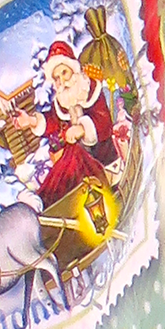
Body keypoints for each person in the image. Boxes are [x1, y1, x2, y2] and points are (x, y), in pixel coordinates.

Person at [28, 38, 120, 205]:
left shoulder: (90, 89)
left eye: (64, 73)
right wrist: (32, 121)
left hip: (102, 155)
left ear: (74, 70)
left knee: (73, 155)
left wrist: (82, 129)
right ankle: (51, 203)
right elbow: (53, 121)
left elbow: (104, 122)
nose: (62, 82)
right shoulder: (62, 101)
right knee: (69, 158)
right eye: (56, 78)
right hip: (80, 162)